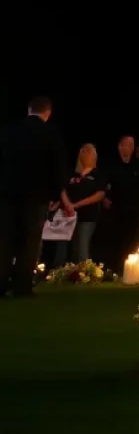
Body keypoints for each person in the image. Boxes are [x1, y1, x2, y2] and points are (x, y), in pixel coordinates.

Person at [0, 96, 67, 298]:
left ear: (29, 110)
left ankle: (1, 284)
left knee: (5, 240)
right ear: (47, 113)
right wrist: (56, 194)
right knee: (29, 241)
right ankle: (22, 285)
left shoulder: (8, 131)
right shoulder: (50, 133)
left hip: (6, 196)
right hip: (35, 197)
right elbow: (58, 166)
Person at [54, 144, 108, 265]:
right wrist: (67, 204)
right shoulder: (72, 175)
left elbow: (99, 194)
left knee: (82, 248)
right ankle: (65, 274)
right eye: (82, 152)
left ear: (95, 156)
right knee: (67, 248)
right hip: (68, 216)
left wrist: (77, 205)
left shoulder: (98, 174)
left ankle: (85, 274)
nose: (85, 154)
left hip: (87, 216)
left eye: (88, 152)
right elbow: (63, 189)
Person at [104, 135, 139, 264]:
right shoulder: (111, 164)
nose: (130, 148)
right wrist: (106, 197)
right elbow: (104, 183)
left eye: (132, 145)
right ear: (120, 146)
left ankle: (127, 266)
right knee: (114, 239)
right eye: (127, 144)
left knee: (131, 239)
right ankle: (111, 267)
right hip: (114, 209)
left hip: (132, 208)